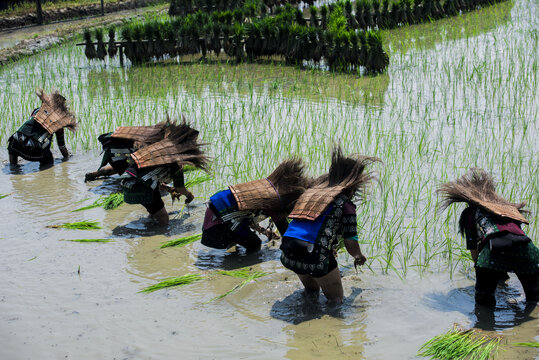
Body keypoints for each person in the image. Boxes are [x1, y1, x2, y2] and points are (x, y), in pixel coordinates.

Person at [279, 147, 379, 304]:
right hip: (312, 251)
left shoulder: (310, 194)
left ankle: (305, 317)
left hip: (288, 247)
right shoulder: (345, 205)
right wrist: (358, 256)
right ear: (353, 184)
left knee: (311, 292)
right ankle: (326, 327)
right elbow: (350, 242)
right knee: (336, 301)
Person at [438, 168, 539, 306]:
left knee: (484, 302)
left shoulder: (470, 214)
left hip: (494, 250)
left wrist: (479, 269)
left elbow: (474, 249)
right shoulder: (507, 209)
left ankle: (485, 325)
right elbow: (512, 239)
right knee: (534, 299)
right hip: (529, 251)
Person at [201, 158, 310, 252]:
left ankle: (233, 254)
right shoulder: (275, 201)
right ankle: (243, 266)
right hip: (218, 223)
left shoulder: (266, 189)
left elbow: (244, 215)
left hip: (215, 211)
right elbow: (285, 231)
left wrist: (265, 231)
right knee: (254, 244)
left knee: (239, 238)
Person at [120, 120, 208, 226]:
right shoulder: (176, 160)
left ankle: (146, 231)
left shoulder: (159, 149)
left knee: (154, 213)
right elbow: (180, 188)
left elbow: (151, 174)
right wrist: (189, 195)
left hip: (127, 179)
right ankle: (150, 239)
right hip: (140, 185)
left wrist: (168, 188)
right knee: (164, 220)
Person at [8, 90, 76, 166]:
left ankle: (13, 169)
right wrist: (67, 157)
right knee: (49, 159)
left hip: (13, 144)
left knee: (14, 167)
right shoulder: (58, 123)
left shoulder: (37, 111)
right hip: (35, 150)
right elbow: (62, 147)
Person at [84, 121, 169, 182]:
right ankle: (96, 174)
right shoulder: (155, 142)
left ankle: (93, 174)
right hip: (115, 149)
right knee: (131, 177)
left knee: (129, 168)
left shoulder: (152, 132)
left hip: (113, 145)